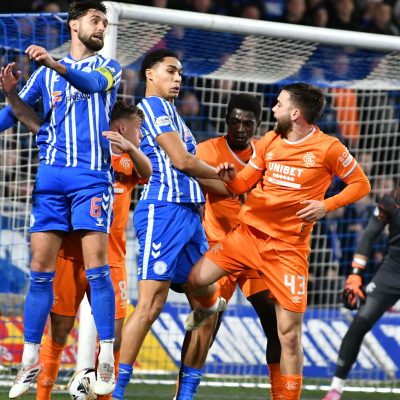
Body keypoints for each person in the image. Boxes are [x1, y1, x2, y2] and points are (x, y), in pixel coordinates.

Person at [185, 83, 371, 400]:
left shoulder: (329, 148)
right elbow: (244, 184)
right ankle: (211, 306)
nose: (274, 109)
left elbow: (361, 184)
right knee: (196, 280)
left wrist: (326, 205)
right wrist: (230, 177)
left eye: (279, 104)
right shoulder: (271, 139)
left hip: (287, 250)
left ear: (295, 114)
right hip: (247, 236)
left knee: (288, 335)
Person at [0, 64, 151, 400]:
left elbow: (148, 171)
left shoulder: (126, 162)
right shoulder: (81, 158)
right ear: (122, 127)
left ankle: (102, 386)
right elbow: (20, 114)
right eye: (138, 131)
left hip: (111, 258)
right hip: (70, 257)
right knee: (59, 332)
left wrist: (131, 149)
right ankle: (41, 392)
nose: (141, 136)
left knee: (114, 336)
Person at [0, 1, 122, 396]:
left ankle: (106, 356)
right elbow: (12, 115)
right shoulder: (43, 77)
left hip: (91, 180)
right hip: (50, 179)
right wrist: (10, 95)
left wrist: (53, 63)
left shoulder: (109, 67)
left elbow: (90, 86)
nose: (101, 27)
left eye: (104, 22)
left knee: (98, 269)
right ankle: (28, 361)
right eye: (94, 20)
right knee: (39, 270)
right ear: (74, 25)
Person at [112, 48, 226, 400]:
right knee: (150, 305)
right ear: (150, 73)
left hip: (191, 215)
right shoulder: (153, 108)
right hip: (163, 210)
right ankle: (114, 392)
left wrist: (243, 190)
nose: (178, 78)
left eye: (180, 73)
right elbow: (182, 161)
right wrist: (233, 179)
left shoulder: (175, 115)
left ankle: (185, 395)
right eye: (171, 71)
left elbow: (197, 172)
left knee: (208, 307)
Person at [175, 93, 282, 400]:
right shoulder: (208, 150)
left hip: (255, 252)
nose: (240, 128)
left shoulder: (266, 154)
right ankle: (183, 395)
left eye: (248, 123)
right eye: (235, 121)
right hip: (218, 250)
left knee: (277, 325)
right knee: (205, 323)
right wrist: (242, 188)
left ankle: (280, 394)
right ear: (226, 120)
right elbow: (198, 178)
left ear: (257, 125)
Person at [323, 186, 400, 400]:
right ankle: (335, 389)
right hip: (392, 272)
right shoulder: (392, 200)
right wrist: (355, 275)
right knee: (359, 323)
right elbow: (368, 236)